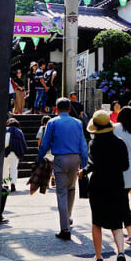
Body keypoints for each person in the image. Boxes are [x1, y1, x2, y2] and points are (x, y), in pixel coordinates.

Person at [85, 110, 129, 261]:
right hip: (117, 184)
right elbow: (125, 166)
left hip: (98, 185)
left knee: (97, 221)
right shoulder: (120, 143)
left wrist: (84, 171)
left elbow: (92, 165)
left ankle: (99, 258)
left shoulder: (94, 144)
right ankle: (121, 253)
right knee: (116, 222)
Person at [37, 97, 88, 241]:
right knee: (71, 189)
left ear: (56, 109)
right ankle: (68, 217)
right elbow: (83, 144)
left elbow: (45, 143)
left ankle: (64, 228)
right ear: (70, 109)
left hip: (60, 158)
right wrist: (84, 163)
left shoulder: (52, 122)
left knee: (61, 192)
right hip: (75, 158)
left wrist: (39, 158)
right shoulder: (78, 123)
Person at [113, 106, 131, 245]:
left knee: (122, 202)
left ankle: (130, 232)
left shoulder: (115, 128)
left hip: (120, 167)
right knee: (122, 199)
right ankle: (123, 229)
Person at [4, 118, 28, 192]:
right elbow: (23, 143)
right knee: (14, 168)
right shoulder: (19, 131)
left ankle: (5, 184)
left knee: (5, 168)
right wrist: (23, 152)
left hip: (6, 151)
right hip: (16, 152)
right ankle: (13, 183)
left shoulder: (6, 130)